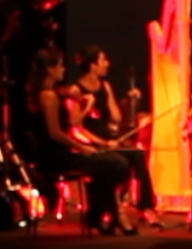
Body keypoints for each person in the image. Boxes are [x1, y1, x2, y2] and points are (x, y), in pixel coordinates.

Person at [21, 47, 131, 234]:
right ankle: (102, 214)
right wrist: (82, 147)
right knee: (117, 165)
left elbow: (63, 95)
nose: (64, 69)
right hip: (55, 157)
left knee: (112, 165)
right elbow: (55, 133)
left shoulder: (51, 93)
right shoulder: (48, 96)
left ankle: (99, 216)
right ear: (50, 69)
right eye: (60, 66)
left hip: (60, 153)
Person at [67, 46, 161, 229]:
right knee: (120, 164)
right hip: (91, 145)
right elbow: (76, 127)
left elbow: (116, 117)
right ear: (93, 65)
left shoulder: (105, 86)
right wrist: (102, 141)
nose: (107, 64)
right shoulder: (76, 90)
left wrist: (129, 103)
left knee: (138, 154)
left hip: (109, 141)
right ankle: (110, 209)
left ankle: (146, 206)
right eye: (103, 60)